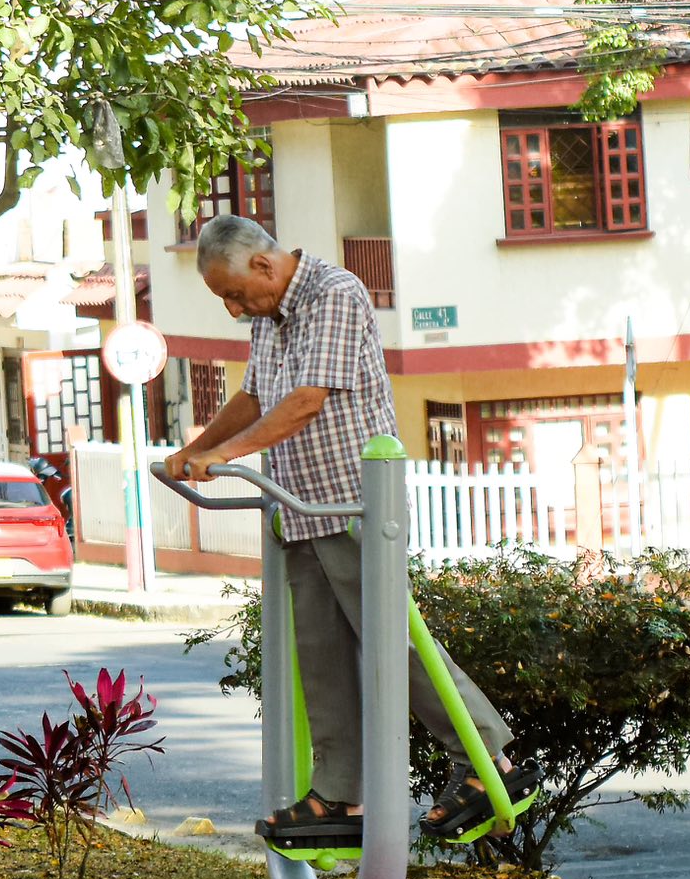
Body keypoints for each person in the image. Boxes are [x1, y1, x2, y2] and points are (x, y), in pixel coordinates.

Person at [165, 215, 538, 842]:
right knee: (322, 655)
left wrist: (224, 458)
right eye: (222, 299)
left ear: (263, 264)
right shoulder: (267, 317)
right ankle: (340, 797)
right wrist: (194, 449)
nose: (233, 308)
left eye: (234, 293)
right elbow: (255, 397)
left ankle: (484, 759)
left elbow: (307, 398)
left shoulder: (333, 293)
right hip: (300, 504)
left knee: (394, 641)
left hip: (354, 501)